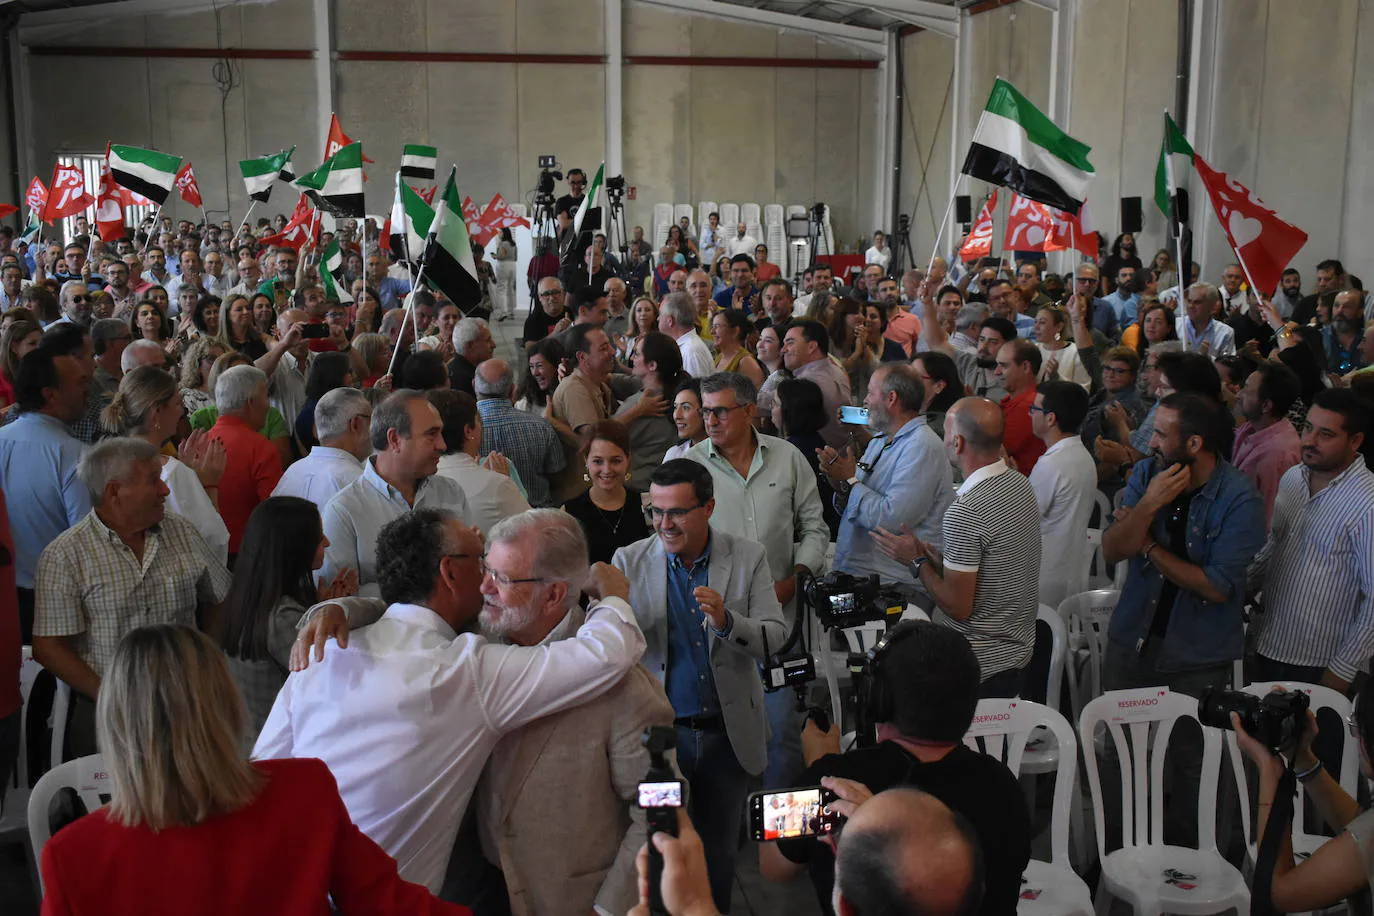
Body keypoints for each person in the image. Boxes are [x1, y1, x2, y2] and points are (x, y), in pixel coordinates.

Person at [255, 507, 648, 894]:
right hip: (451, 893)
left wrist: (612, 908)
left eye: (501, 577)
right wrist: (613, 597)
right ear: (449, 572)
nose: (486, 586)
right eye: (484, 566)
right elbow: (410, 616)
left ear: (554, 595)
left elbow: (662, 800)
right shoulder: (469, 660)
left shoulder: (622, 687)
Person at [38, 624, 467, 915]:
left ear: (115, 723)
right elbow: (386, 902)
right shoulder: (303, 790)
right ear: (226, 703)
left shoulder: (74, 856)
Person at [760, 620, 1030, 915]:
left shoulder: (836, 783)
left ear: (878, 700)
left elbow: (773, 866)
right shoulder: (1003, 785)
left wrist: (818, 771)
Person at [612, 459, 786, 912]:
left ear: (708, 507)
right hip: (660, 745)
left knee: (718, 856)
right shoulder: (628, 562)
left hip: (726, 740)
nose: (664, 524)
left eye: (677, 512)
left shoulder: (747, 557)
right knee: (658, 849)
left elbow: (774, 638)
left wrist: (729, 622)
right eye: (656, 511)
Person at [1101, 392, 1266, 846]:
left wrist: (1149, 545)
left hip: (1197, 652)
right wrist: (1149, 504)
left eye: (1159, 433)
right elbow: (1114, 548)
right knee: (1116, 751)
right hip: (1132, 636)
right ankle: (1118, 852)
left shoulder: (1238, 499)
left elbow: (1216, 587)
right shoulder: (1150, 476)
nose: (1149, 442)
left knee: (1195, 758)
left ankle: (1194, 864)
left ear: (1194, 444)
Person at [32, 438, 231, 756]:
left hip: (186, 701)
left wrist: (206, 657)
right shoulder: (66, 555)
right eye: (153, 480)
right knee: (114, 804)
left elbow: (220, 597)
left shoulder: (182, 533)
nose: (165, 491)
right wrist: (110, 696)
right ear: (114, 492)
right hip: (108, 712)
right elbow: (49, 646)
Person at [686, 372, 828, 788]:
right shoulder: (690, 466)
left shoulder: (787, 459)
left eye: (719, 411)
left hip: (781, 618)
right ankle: (729, 828)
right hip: (715, 624)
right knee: (717, 732)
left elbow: (814, 528)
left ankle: (780, 835)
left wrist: (797, 576)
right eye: (704, 411)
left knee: (782, 730)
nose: (709, 420)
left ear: (749, 411)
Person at [872, 398, 1041, 698]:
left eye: (946, 433)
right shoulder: (1019, 484)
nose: (944, 439)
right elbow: (995, 571)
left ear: (959, 443)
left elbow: (958, 607)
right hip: (1017, 655)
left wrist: (916, 561)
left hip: (977, 666)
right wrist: (940, 564)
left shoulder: (966, 511)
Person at [1250, 389, 1374, 692]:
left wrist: (1341, 671)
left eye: (1326, 434)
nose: (1309, 440)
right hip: (1269, 641)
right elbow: (1275, 545)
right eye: (1307, 428)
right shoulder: (1293, 477)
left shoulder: (1367, 503)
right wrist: (1241, 584)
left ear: (1355, 441)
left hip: (1323, 662)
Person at [219, 497, 356, 741]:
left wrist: (317, 609)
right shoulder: (281, 617)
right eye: (318, 536)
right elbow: (329, 681)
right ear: (295, 547)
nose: (327, 542)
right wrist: (332, 611)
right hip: (276, 746)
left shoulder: (249, 595)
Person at [822, 364, 954, 602]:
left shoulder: (921, 446)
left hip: (895, 588)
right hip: (863, 581)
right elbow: (855, 506)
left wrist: (850, 480)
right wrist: (840, 484)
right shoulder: (881, 440)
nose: (865, 400)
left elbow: (892, 519)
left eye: (871, 393)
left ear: (891, 398)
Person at [319, 389, 471, 595]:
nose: (442, 445)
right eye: (431, 435)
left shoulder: (451, 493)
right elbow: (341, 602)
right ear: (395, 439)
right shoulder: (344, 510)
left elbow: (471, 569)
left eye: (441, 434)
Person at [0, 343, 93, 639]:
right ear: (49, 394)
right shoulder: (74, 455)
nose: (86, 391)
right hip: (53, 604)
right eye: (79, 383)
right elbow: (85, 541)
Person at [100, 366, 230, 563]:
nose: (182, 412)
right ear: (157, 412)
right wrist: (209, 486)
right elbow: (212, 543)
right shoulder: (172, 471)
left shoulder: (103, 464)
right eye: (178, 404)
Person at [1028, 381, 1097, 607]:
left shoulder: (1052, 463)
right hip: (1070, 569)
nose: (1030, 414)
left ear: (1051, 418)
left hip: (1044, 575)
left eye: (1034, 409)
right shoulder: (1081, 455)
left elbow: (1023, 520)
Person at [430, 389, 530, 535]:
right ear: (468, 431)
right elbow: (532, 530)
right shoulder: (497, 484)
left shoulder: (420, 478)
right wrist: (503, 479)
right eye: (478, 421)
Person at [208, 365, 283, 556]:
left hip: (208, 551)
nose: (269, 404)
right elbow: (275, 513)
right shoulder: (260, 448)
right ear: (251, 402)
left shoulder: (200, 444)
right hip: (250, 554)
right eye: (266, 396)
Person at [475, 357, 567, 508]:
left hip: (486, 519)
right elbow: (557, 477)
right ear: (513, 390)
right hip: (538, 517)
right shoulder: (540, 426)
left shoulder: (465, 432)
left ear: (474, 386)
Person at [562, 420, 652, 566]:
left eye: (615, 461)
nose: (607, 470)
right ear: (586, 461)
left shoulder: (648, 505)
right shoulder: (569, 513)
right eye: (598, 461)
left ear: (627, 460)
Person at [272, 386, 372, 508]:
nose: (374, 428)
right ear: (355, 424)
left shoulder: (292, 473)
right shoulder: (357, 482)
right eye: (370, 420)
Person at [1233, 360, 1303, 525]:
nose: (1238, 394)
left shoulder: (1277, 456)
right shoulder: (1252, 427)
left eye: (1246, 390)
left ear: (1265, 405)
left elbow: (1268, 523)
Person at [773, 377, 841, 538]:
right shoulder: (815, 442)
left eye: (775, 404)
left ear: (790, 410)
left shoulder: (791, 452)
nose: (771, 409)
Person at [618, 332, 681, 479]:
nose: (632, 358)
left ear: (652, 365)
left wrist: (636, 410)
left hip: (637, 485)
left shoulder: (644, 403)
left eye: (637, 354)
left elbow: (601, 437)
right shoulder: (678, 395)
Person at [781, 319, 851, 449]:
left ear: (812, 347)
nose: (783, 350)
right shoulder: (837, 369)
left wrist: (775, 372)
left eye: (790, 343)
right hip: (843, 451)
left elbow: (758, 407)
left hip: (818, 459)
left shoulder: (806, 384)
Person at [994, 339, 1047, 473]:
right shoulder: (1013, 401)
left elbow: (990, 450)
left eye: (1004, 366)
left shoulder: (1030, 406)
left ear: (1025, 367)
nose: (996, 372)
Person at [1032, 305, 1091, 389]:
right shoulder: (1033, 349)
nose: (1036, 327)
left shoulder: (1075, 352)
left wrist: (1057, 377)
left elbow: (1083, 390)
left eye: (1042, 322)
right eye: (1035, 322)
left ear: (1059, 327)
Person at [658, 292, 714, 379]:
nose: (658, 319)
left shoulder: (692, 351)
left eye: (660, 314)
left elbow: (695, 390)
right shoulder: (687, 347)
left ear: (670, 320)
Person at [1177, 282, 1237, 357]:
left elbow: (1227, 366)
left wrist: (1207, 358)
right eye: (1189, 301)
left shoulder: (1225, 333)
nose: (1191, 306)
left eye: (1197, 302)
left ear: (1213, 307)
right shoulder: (1176, 325)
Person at [709, 309, 763, 388]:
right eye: (712, 326)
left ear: (735, 331)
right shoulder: (720, 357)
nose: (712, 331)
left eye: (717, 326)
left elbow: (757, 396)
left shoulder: (745, 362)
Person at [664, 377, 708, 462]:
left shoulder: (725, 455)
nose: (677, 415)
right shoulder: (674, 454)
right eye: (675, 407)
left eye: (686, 407)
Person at [448, 317, 494, 396]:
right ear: (470, 346)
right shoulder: (468, 382)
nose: (493, 345)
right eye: (487, 340)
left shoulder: (452, 367)